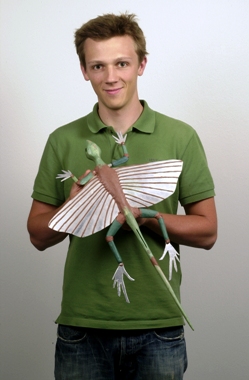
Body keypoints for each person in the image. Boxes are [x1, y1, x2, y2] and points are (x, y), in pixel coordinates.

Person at [27, 12, 217, 380]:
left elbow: (207, 232)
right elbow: (37, 236)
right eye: (98, 65)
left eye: (122, 63)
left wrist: (143, 217)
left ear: (141, 64)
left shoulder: (181, 137)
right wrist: (75, 206)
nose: (110, 77)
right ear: (84, 70)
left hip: (159, 327)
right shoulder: (63, 140)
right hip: (83, 328)